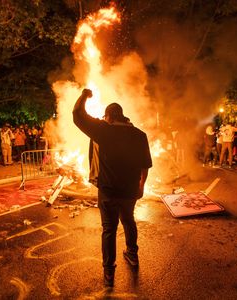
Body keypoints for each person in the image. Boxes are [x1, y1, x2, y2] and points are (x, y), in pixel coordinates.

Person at [72, 89, 152, 287]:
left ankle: (109, 271)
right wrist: (141, 185)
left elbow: (77, 114)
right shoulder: (139, 135)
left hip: (108, 190)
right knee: (128, 220)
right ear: (123, 116)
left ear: (108, 116)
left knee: (109, 229)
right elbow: (145, 165)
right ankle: (132, 254)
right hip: (130, 190)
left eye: (104, 116)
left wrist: (84, 96)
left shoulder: (104, 130)